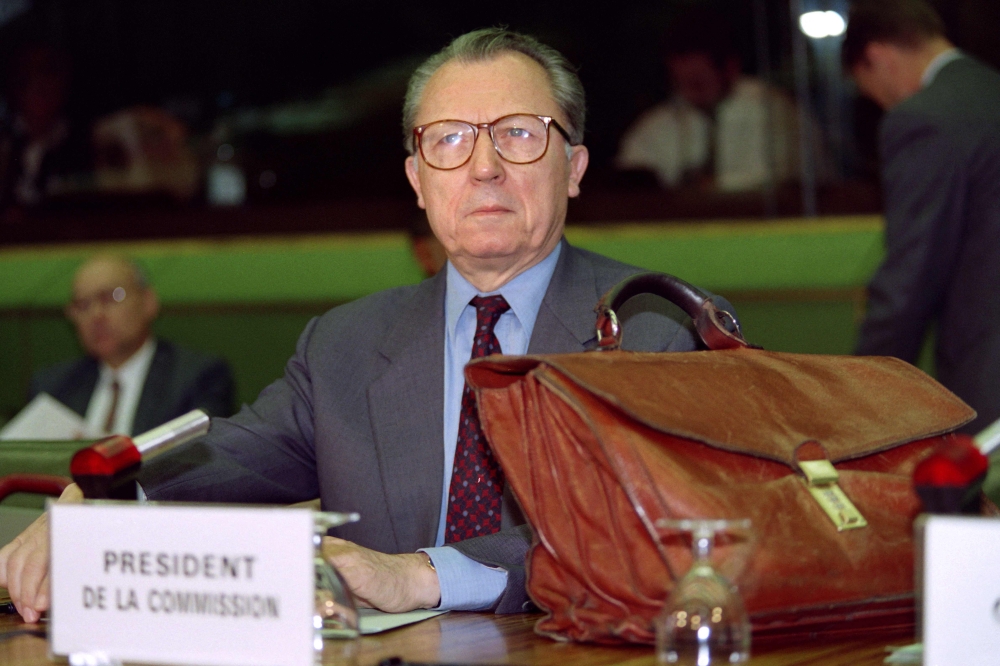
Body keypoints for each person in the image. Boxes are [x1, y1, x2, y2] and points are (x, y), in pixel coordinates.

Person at [0, 28, 738, 623]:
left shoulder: (653, 327)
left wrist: (421, 575)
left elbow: (629, 531)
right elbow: (228, 456)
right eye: (448, 140)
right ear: (418, 179)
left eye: (518, 134)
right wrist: (100, 503)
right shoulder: (345, 344)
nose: (483, 167)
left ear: (573, 167)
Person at [845, 0, 1000, 434]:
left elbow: (911, 276)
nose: (883, 105)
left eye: (870, 89)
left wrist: (860, 393)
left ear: (876, 56)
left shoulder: (923, 119)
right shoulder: (990, 91)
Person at [616, 8, 823, 192]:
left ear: (730, 69)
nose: (687, 94)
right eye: (679, 83)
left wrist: (712, 187)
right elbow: (632, 169)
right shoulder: (663, 119)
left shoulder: (771, 109)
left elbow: (779, 178)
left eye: (698, 83)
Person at [28, 255, 235, 437]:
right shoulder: (53, 387)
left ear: (148, 302)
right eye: (83, 305)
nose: (96, 315)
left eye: (110, 297)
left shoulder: (197, 376)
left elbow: (198, 462)